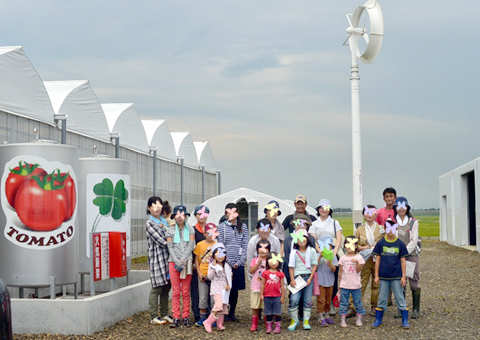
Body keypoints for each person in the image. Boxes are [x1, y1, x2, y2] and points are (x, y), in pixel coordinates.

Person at [371, 220, 410, 329]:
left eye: (393, 228)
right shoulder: (380, 243)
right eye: (388, 228)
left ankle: (405, 320)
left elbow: (403, 261)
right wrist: (376, 275)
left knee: (399, 297)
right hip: (383, 277)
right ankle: (378, 320)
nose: (391, 231)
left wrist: (403, 276)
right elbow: (377, 260)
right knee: (382, 298)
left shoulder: (400, 244)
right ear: (385, 229)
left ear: (396, 229)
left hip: (396, 276)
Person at [309, 198, 343, 315]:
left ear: (330, 210)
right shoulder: (314, 224)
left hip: (332, 252)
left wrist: (334, 252)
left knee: (332, 278)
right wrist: (320, 251)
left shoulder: (335, 223)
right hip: (319, 254)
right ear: (318, 209)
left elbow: (338, 238)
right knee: (320, 279)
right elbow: (313, 239)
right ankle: (321, 304)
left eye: (326, 208)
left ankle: (331, 303)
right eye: (321, 208)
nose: (323, 210)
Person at [217, 203, 248, 321]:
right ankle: (223, 312)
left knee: (235, 289)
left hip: (239, 262)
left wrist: (241, 261)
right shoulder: (222, 227)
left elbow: (245, 244)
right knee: (225, 287)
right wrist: (228, 261)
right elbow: (221, 245)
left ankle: (232, 312)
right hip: (226, 262)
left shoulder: (243, 227)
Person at [145, 197, 173, 325]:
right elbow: (162, 241)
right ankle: (154, 316)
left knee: (166, 288)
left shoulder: (164, 221)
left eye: (159, 206)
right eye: (153, 206)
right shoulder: (150, 223)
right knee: (156, 288)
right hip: (157, 259)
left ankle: (165, 313)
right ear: (149, 208)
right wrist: (174, 240)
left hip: (168, 258)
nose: (156, 209)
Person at [166, 205, 195, 328]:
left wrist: (182, 260)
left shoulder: (191, 229)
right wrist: (177, 261)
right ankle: (176, 316)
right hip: (173, 262)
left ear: (186, 216)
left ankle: (186, 316)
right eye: (177, 215)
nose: (180, 218)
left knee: (185, 291)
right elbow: (170, 247)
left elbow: (190, 245)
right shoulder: (169, 230)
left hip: (187, 262)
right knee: (176, 291)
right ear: (174, 216)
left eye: (182, 215)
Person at [354, 205, 384, 316]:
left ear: (376, 214)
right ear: (363, 214)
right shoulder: (359, 229)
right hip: (364, 259)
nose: (369, 215)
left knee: (376, 283)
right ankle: (354, 306)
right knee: (360, 282)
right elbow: (354, 245)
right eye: (366, 212)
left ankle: (375, 306)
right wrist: (364, 248)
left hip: (377, 259)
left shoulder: (381, 229)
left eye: (372, 212)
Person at [394, 197, 421, 319]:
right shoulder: (392, 222)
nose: (400, 209)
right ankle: (401, 308)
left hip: (410, 254)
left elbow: (413, 241)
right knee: (400, 282)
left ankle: (416, 310)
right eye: (398, 207)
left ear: (407, 207)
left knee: (413, 281)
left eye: (403, 206)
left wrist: (404, 252)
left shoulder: (413, 222)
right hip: (396, 255)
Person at [287, 229, 318, 331]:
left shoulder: (312, 251)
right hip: (297, 278)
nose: (301, 241)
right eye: (299, 239)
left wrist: (310, 278)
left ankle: (306, 320)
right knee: (294, 299)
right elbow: (291, 267)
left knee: (307, 300)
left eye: (303, 238)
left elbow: (315, 265)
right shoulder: (293, 252)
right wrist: (292, 279)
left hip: (308, 277)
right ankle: (294, 320)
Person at [337, 236, 366, 328]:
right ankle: (342, 319)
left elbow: (358, 270)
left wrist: (357, 262)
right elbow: (341, 272)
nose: (350, 246)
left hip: (356, 285)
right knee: (344, 303)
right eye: (348, 243)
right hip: (345, 285)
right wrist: (340, 284)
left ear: (356, 245)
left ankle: (359, 318)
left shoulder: (359, 257)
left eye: (353, 244)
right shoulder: (343, 258)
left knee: (357, 302)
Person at [203, 243, 232, 333]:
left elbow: (230, 276)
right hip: (216, 288)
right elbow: (210, 277)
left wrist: (228, 285)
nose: (220, 256)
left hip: (224, 288)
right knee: (218, 304)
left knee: (223, 306)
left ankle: (220, 324)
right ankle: (208, 322)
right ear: (214, 255)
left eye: (222, 253)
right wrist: (213, 268)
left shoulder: (226, 265)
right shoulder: (212, 265)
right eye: (218, 253)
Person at [193, 222, 217, 326]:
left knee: (213, 299)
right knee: (202, 297)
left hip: (214, 275)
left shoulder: (217, 245)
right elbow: (196, 260)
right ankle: (202, 317)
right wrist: (198, 273)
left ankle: (213, 318)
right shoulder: (200, 245)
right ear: (204, 234)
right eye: (208, 233)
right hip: (202, 274)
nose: (210, 235)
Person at [191, 205, 211, 323]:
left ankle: (209, 313)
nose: (202, 216)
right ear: (195, 216)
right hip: (197, 264)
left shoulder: (212, 229)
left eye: (204, 213)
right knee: (196, 290)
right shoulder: (193, 230)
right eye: (199, 214)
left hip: (210, 265)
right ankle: (197, 314)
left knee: (210, 290)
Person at [261, 252, 285, 334]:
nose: (273, 263)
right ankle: (269, 326)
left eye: (276, 260)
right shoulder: (265, 273)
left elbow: (282, 286)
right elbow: (262, 284)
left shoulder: (280, 274)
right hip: (267, 296)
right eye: (271, 260)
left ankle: (278, 327)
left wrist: (283, 296)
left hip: (277, 296)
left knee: (277, 313)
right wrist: (261, 294)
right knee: (268, 312)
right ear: (267, 261)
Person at [249, 239, 270, 332]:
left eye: (265, 248)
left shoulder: (270, 260)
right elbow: (251, 271)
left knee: (266, 307)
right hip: (256, 286)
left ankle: (267, 324)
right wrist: (257, 263)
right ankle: (254, 324)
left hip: (267, 288)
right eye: (260, 247)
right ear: (257, 249)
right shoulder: (254, 260)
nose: (263, 250)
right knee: (255, 306)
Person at [316, 236, 337, 326]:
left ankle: (327, 315)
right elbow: (314, 267)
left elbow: (334, 269)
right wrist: (319, 257)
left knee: (328, 300)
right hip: (320, 281)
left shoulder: (333, 256)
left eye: (329, 246)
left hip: (330, 281)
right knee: (321, 300)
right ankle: (320, 316)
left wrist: (331, 265)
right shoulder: (317, 255)